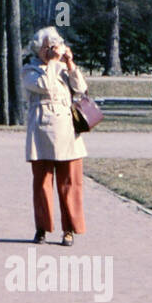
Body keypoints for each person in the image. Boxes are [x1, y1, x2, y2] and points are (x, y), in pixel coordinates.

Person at [22, 26, 88, 246]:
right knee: (42, 183)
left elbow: (81, 89)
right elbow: (45, 86)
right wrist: (51, 62)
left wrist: (69, 64)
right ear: (38, 49)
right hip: (41, 131)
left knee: (70, 183)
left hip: (67, 131)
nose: (51, 50)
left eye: (54, 45)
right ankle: (42, 228)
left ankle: (68, 229)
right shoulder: (30, 70)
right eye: (46, 47)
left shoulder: (62, 67)